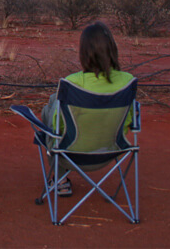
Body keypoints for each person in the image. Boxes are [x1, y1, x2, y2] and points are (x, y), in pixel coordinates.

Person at [41, 21, 134, 197]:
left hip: (71, 154)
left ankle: (60, 180)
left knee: (50, 110)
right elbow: (128, 123)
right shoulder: (128, 81)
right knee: (56, 101)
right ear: (112, 49)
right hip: (110, 152)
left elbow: (57, 128)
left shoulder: (72, 83)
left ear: (84, 53)